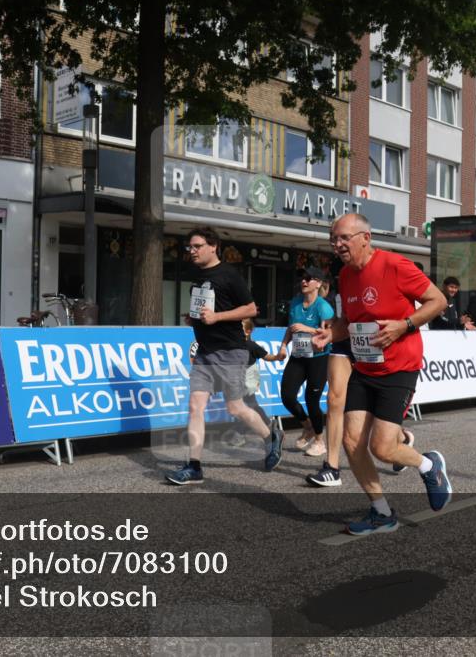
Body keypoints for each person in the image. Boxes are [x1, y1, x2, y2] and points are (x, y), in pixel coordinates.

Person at [312, 213, 451, 535]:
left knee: (383, 448)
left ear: (365, 237)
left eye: (344, 237)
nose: (338, 244)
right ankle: (381, 512)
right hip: (365, 365)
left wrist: (405, 324)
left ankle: (429, 465)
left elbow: (438, 300)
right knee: (350, 440)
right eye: (334, 239)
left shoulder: (395, 265)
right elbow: (349, 321)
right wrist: (329, 335)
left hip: (400, 367)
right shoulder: (346, 276)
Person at [166, 227, 282, 485]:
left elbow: (251, 308)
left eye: (197, 246)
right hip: (205, 351)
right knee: (195, 406)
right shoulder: (197, 275)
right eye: (190, 247)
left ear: (213, 246)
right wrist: (193, 316)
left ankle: (270, 435)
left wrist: (217, 317)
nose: (192, 251)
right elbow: (207, 307)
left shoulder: (229, 274)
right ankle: (193, 466)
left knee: (235, 407)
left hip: (230, 351)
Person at [278, 266, 334, 457]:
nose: (304, 281)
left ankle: (319, 441)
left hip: (318, 358)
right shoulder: (295, 302)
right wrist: (283, 345)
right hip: (298, 355)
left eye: (309, 278)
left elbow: (329, 333)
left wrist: (307, 329)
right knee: (287, 395)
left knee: (312, 400)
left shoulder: (323, 307)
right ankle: (307, 426)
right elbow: (291, 328)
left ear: (318, 283)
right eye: (303, 278)